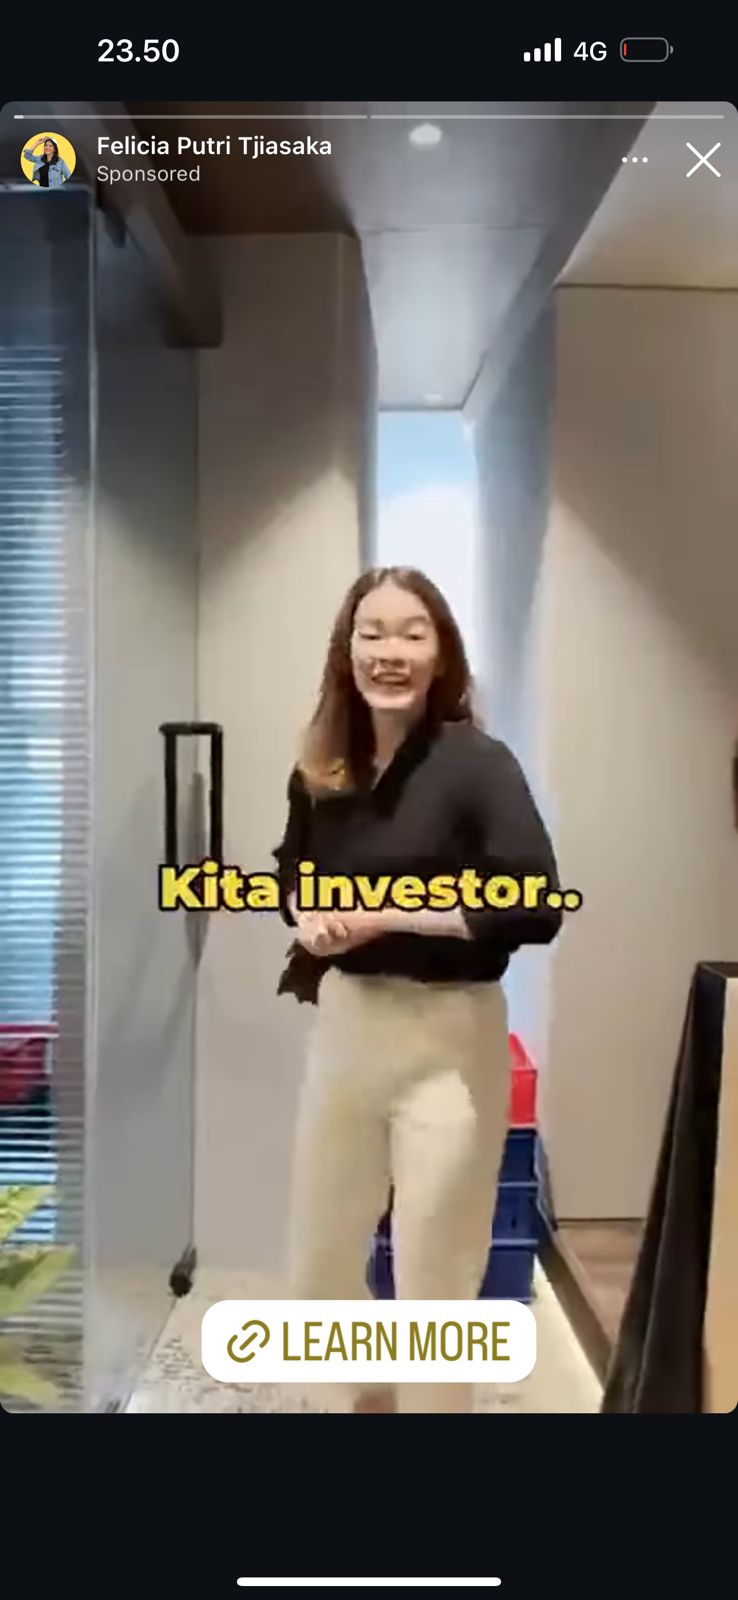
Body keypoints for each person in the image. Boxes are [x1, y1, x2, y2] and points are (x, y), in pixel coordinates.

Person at [273, 566, 562, 1413]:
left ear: (441, 655)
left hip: (449, 1039)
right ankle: (364, 1403)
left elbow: (534, 903)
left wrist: (387, 915)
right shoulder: (322, 765)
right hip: (347, 1032)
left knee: (436, 1273)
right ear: (347, 650)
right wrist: (308, 919)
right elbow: (290, 872)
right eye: (371, 633)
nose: (389, 652)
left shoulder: (478, 763)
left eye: (412, 633)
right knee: (319, 1264)